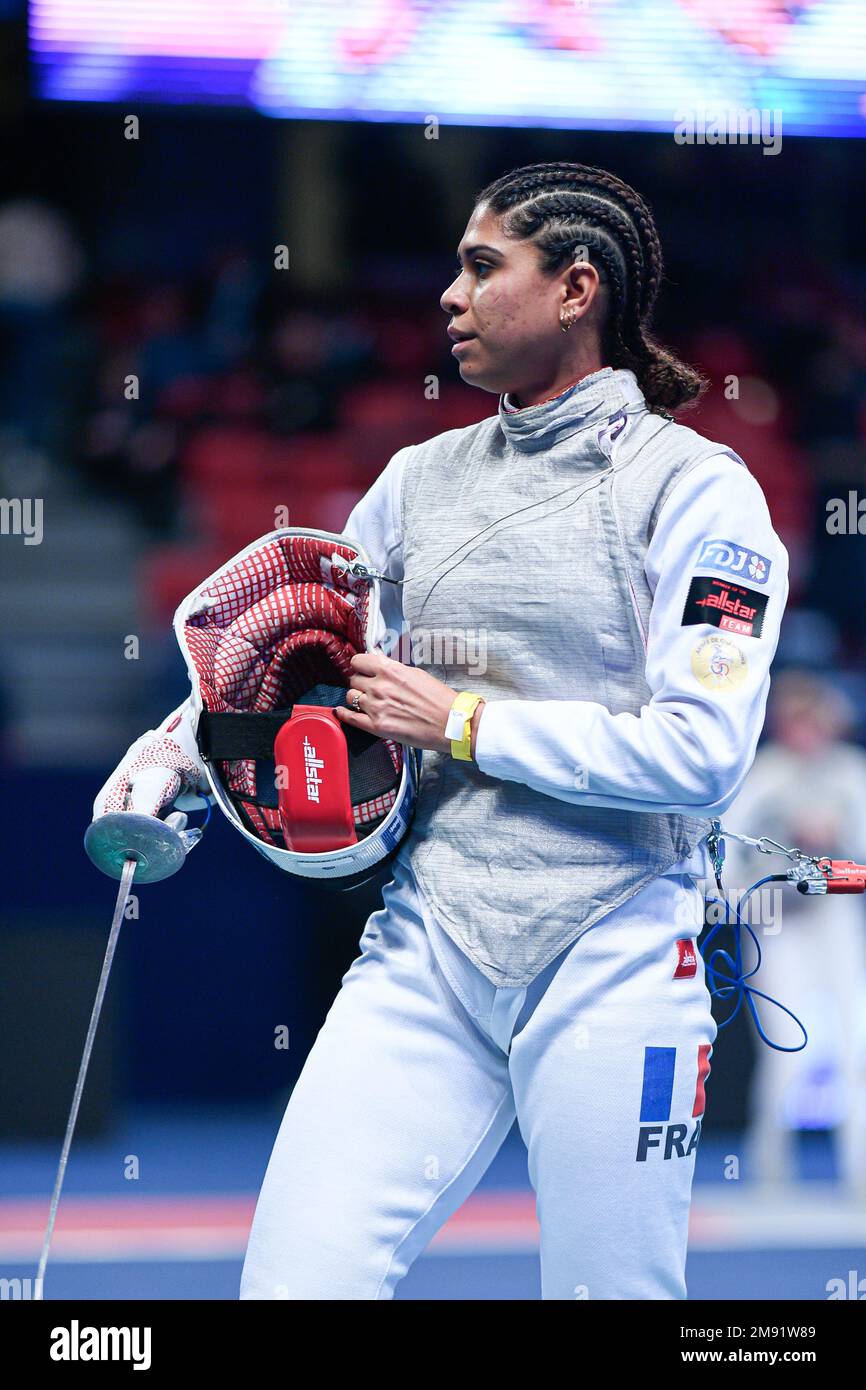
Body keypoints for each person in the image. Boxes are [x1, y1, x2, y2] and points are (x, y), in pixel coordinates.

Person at [93, 162, 789, 1299]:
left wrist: (462, 721)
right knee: (292, 1287)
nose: (447, 298)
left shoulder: (696, 490)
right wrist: (175, 748)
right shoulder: (417, 481)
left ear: (574, 288)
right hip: (431, 944)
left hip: (616, 949)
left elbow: (701, 752)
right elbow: (295, 645)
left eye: (480, 269)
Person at [721, 670, 866, 1198]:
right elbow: (725, 858)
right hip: (779, 926)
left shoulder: (852, 775)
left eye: (815, 719)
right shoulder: (765, 776)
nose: (806, 731)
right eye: (795, 721)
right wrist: (764, 891)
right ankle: (770, 1170)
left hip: (837, 922)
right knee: (786, 1052)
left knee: (855, 1047)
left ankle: (858, 1173)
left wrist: (833, 853)